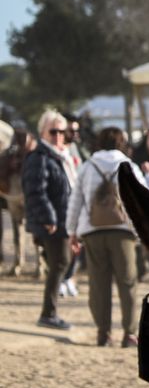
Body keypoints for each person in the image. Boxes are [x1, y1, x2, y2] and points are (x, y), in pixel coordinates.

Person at [66, 127, 149, 347]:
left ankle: (103, 333)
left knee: (99, 284)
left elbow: (75, 200)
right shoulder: (128, 166)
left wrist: (72, 231)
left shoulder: (88, 166)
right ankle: (129, 333)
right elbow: (145, 197)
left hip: (92, 231)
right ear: (121, 143)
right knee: (127, 282)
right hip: (123, 231)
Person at [21, 109, 75, 330]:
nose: (58, 136)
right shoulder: (40, 157)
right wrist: (48, 218)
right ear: (42, 132)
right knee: (60, 263)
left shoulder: (60, 156)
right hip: (53, 223)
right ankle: (48, 313)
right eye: (53, 131)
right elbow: (35, 192)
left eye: (62, 132)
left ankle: (49, 312)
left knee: (61, 263)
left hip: (64, 221)